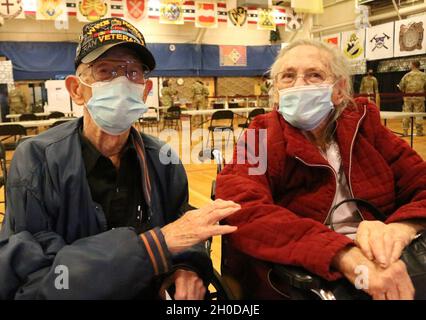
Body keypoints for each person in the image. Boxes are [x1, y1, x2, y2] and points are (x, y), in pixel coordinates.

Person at [0, 17, 240, 300]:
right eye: (106, 71)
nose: (122, 82)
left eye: (133, 72)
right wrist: (154, 247)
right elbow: (36, 281)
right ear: (77, 90)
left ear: (146, 91)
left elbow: (183, 229)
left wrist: (188, 267)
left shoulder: (164, 162)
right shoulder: (37, 162)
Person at [216, 39, 426, 300]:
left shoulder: (365, 126)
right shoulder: (261, 134)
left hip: (387, 259)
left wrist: (399, 230)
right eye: (288, 77)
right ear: (277, 91)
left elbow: (421, 183)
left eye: (314, 75)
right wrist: (343, 254)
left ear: (338, 90)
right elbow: (243, 209)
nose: (300, 85)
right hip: (305, 274)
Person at [398, 61, 426, 137]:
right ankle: (419, 132)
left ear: (413, 65)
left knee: (406, 114)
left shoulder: (407, 75)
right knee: (419, 114)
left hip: (408, 98)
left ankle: (405, 132)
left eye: (410, 64)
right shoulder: (424, 75)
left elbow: (401, 87)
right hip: (419, 98)